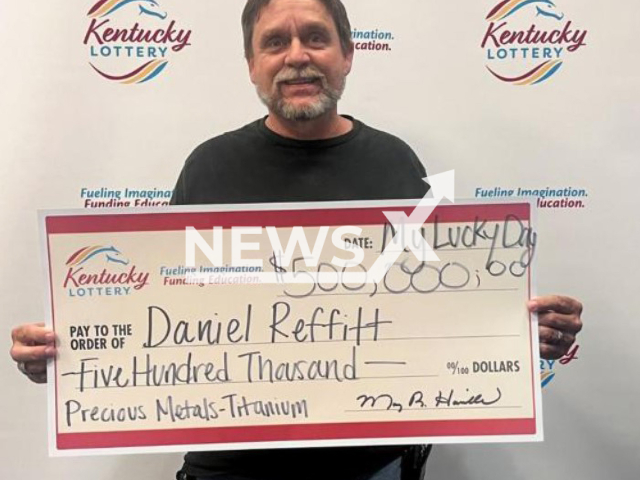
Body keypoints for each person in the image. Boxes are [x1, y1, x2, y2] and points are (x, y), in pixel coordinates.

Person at [10, 0, 584, 479]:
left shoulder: (396, 164)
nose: (297, 56)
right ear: (251, 64)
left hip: (368, 466)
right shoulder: (208, 168)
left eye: (316, 37)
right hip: (231, 467)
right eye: (274, 42)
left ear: (348, 55)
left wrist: (512, 335)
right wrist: (67, 358)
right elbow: (157, 315)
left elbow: (437, 309)